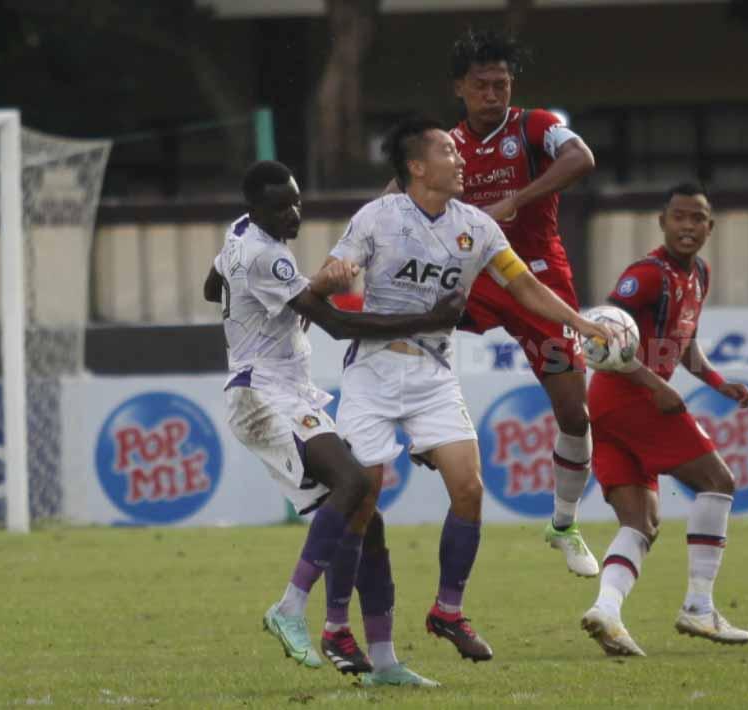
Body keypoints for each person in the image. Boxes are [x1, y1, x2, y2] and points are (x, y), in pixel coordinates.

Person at [329, 116, 611, 664]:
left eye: (459, 153)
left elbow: (525, 286)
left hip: (433, 374)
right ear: (417, 166)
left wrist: (578, 321)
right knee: (361, 501)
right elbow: (336, 270)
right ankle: (336, 625)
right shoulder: (377, 217)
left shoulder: (477, 227)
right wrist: (331, 278)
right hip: (374, 371)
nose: (461, 161)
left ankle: (448, 612)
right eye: (447, 153)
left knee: (470, 488)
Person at [203, 160, 460, 680]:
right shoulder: (265, 255)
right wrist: (429, 320)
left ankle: (382, 660)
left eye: (296, 200)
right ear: (258, 210)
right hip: (262, 395)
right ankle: (291, 607)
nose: (293, 212)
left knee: (370, 516)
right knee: (352, 481)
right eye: (281, 207)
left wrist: (284, 298)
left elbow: (213, 288)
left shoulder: (238, 235)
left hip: (287, 393)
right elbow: (341, 326)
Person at [445, 29, 599, 576]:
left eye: (502, 84)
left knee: (574, 414)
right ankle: (413, 428)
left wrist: (517, 199)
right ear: (460, 88)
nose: (493, 94)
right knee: (415, 322)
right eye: (482, 85)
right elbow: (403, 192)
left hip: (540, 279)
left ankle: (563, 522)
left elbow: (583, 157)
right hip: (476, 279)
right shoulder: (446, 145)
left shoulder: (536, 126)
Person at [579, 183, 748, 656]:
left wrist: (719, 383)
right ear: (662, 222)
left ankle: (607, 612)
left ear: (710, 227)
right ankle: (699, 606)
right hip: (630, 397)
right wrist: (656, 385)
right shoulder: (647, 275)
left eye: (697, 218)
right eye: (679, 217)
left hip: (612, 409)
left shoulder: (699, 273)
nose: (687, 226)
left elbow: (683, 345)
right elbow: (602, 338)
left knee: (641, 522)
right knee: (718, 481)